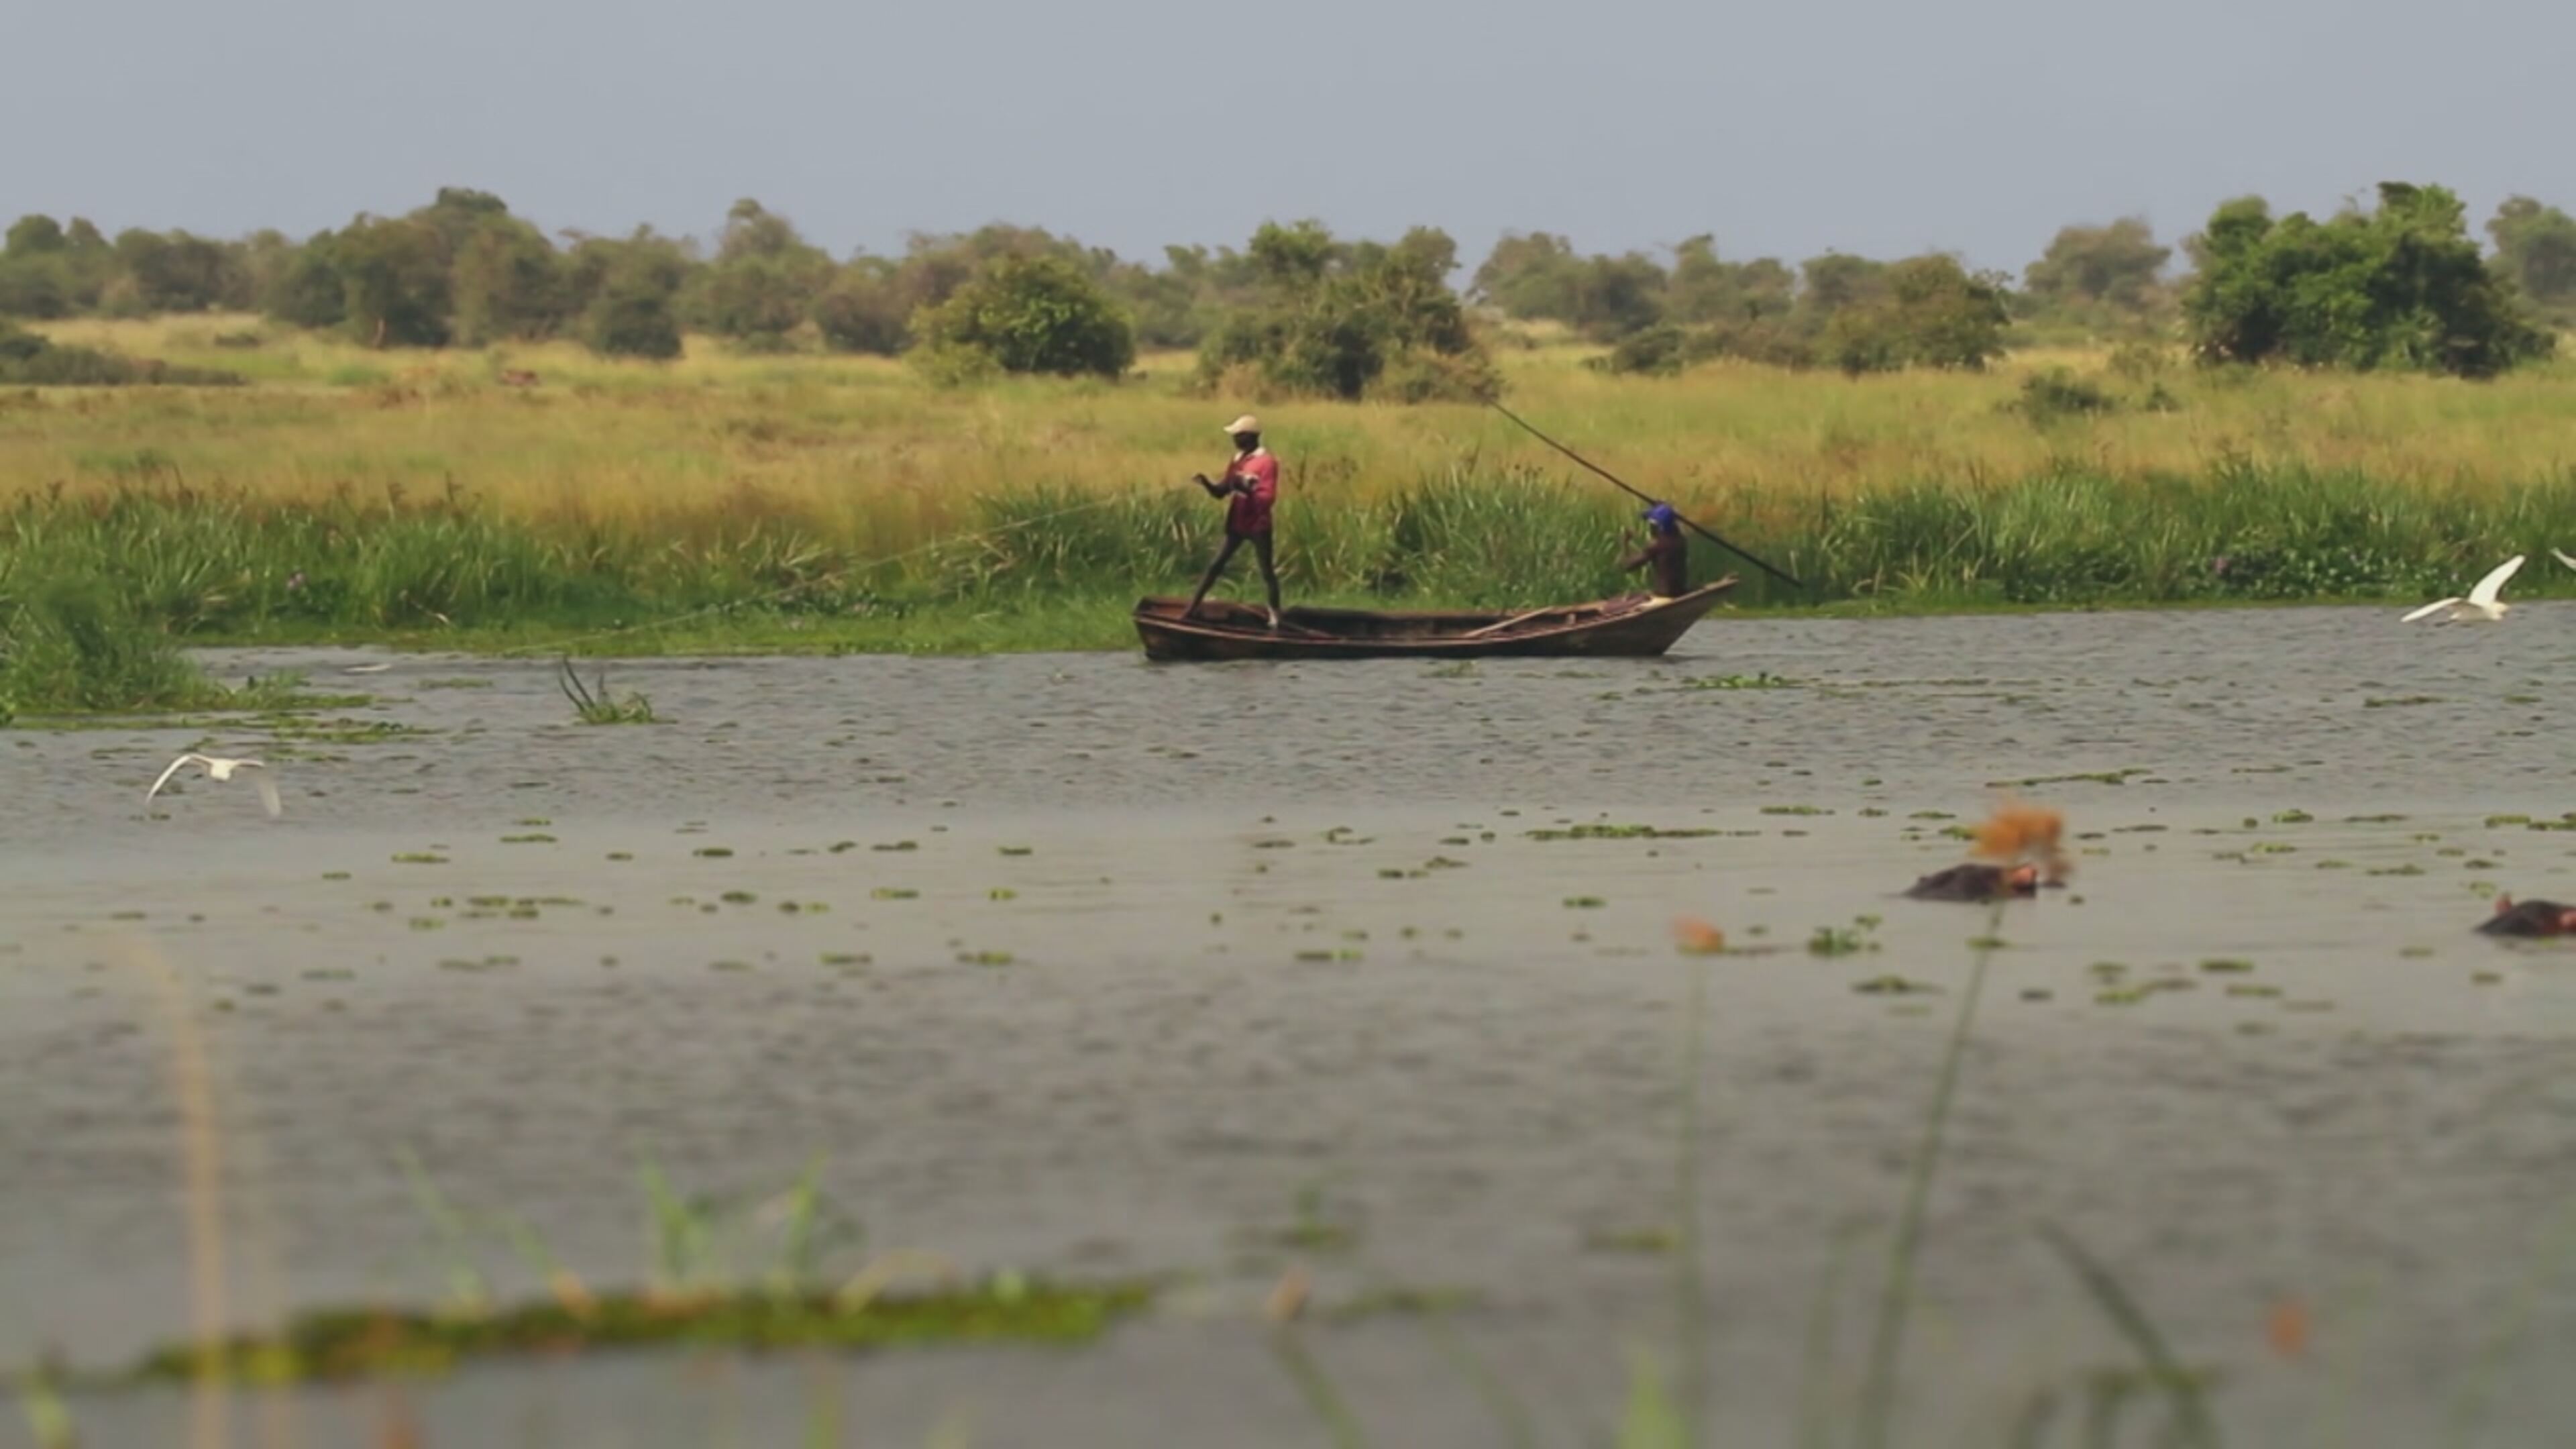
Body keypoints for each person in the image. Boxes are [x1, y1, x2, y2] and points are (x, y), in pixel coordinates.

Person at [1184, 413, 1284, 627]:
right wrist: (1206, 483)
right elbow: (1222, 491)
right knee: (1216, 565)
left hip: (1258, 524)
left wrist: (1247, 489)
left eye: (1238, 436)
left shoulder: (1267, 463)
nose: (1234, 440)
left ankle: (1275, 616)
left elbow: (1267, 499)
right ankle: (1192, 608)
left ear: (1249, 437)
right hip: (1237, 522)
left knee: (1266, 570)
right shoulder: (1238, 461)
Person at [1620, 502, 1690, 601]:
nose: (1650, 527)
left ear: (1659, 527)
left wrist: (1625, 543)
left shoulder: (1657, 545)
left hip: (1665, 596)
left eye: (1651, 524)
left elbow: (1627, 566)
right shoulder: (1681, 540)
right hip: (1680, 591)